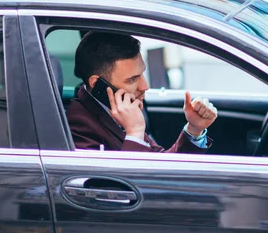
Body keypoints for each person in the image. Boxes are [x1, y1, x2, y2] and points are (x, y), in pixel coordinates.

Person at [66, 32, 217, 152]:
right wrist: (135, 133)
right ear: (97, 84)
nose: (145, 86)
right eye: (132, 79)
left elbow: (161, 166)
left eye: (142, 74)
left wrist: (194, 129)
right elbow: (116, 187)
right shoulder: (78, 125)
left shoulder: (121, 108)